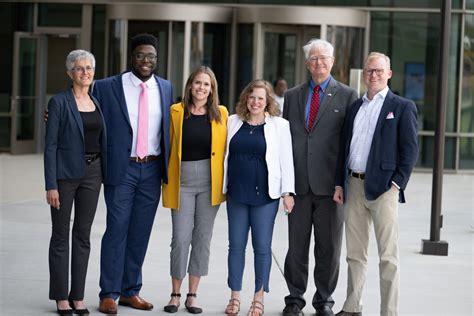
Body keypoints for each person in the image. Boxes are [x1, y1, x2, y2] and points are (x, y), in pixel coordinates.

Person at [92, 34, 172, 314]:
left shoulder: (165, 88)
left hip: (151, 168)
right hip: (121, 168)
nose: (146, 61)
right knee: (116, 230)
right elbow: (84, 110)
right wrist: (54, 114)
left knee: (140, 232)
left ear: (156, 59)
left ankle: (130, 291)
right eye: (140, 55)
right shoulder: (106, 86)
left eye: (151, 56)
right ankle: (109, 293)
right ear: (131, 57)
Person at [333, 52, 418, 316]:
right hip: (354, 185)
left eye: (379, 71)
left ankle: (388, 312)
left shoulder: (402, 106)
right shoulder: (356, 107)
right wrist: (339, 183)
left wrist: (397, 184)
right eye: (370, 71)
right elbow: (344, 149)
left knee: (388, 258)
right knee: (355, 254)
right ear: (364, 73)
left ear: (389, 74)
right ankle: (352, 306)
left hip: (384, 189)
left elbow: (410, 149)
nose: (374, 75)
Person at [282, 38, 358, 316]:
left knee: (328, 248)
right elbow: (284, 142)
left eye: (324, 57)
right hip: (299, 186)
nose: (319, 62)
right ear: (306, 63)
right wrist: (285, 188)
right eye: (313, 58)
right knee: (296, 248)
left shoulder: (348, 95)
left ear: (333, 61)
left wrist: (342, 181)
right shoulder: (292, 95)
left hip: (331, 187)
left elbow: (349, 142)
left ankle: (324, 300)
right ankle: (294, 299)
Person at [223, 79, 295, 316]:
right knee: (235, 247)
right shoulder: (232, 121)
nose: (255, 102)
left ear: (267, 102)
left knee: (262, 247)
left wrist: (288, 192)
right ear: (246, 98)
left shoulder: (279, 126)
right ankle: (235, 296)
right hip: (237, 193)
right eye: (252, 97)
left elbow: (286, 161)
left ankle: (258, 298)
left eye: (260, 98)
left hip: (266, 195)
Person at [44, 49, 107, 315]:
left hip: (93, 174)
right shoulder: (59, 102)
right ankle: (61, 297)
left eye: (89, 68)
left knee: (83, 235)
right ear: (70, 73)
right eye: (79, 69)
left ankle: (77, 296)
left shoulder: (96, 101)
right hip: (65, 177)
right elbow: (51, 146)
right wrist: (51, 185)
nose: (85, 73)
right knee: (60, 236)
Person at [161, 66, 228, 314]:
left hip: (210, 185)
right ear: (190, 85)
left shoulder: (221, 114)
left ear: (212, 90)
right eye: (198, 83)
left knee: (202, 239)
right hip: (182, 183)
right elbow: (166, 145)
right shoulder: (175, 112)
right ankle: (175, 294)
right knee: (180, 239)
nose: (201, 88)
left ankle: (192, 295)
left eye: (207, 84)